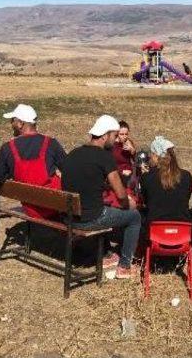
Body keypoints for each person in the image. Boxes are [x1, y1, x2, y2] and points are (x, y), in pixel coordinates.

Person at [61, 115, 141, 279]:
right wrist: (129, 205)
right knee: (134, 217)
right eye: (114, 135)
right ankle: (125, 266)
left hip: (69, 216)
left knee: (106, 206)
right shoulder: (105, 157)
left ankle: (106, 253)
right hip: (91, 219)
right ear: (105, 136)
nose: (116, 139)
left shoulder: (73, 153)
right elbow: (120, 194)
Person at [0, 104, 67, 219]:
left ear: (20, 123)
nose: (11, 124)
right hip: (54, 207)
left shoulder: (7, 148)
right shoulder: (51, 143)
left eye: (13, 120)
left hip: (30, 208)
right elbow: (68, 170)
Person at [140, 136, 192, 224]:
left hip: (155, 227)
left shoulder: (147, 177)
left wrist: (145, 175)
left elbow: (145, 201)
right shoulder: (186, 176)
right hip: (182, 227)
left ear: (156, 156)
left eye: (151, 154)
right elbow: (186, 198)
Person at [111, 120, 137, 185]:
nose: (124, 136)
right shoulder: (112, 145)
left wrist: (132, 150)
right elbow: (109, 164)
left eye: (126, 134)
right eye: (121, 134)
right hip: (117, 174)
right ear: (117, 133)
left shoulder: (129, 142)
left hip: (130, 174)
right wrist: (121, 171)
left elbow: (135, 160)